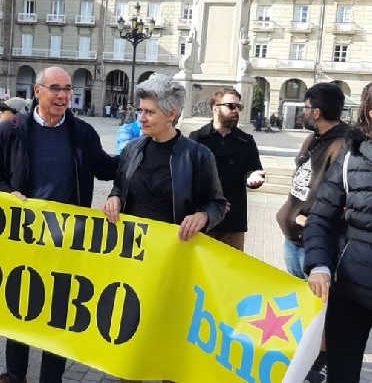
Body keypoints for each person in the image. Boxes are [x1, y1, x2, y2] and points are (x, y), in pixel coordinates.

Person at [0, 66, 118, 383]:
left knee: (58, 315)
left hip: (67, 240)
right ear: (37, 91)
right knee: (20, 310)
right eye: (56, 88)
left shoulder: (82, 132)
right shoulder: (12, 128)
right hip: (22, 237)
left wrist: (140, 152)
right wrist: (6, 193)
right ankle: (15, 374)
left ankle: (51, 377)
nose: (64, 95)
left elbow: (106, 168)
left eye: (68, 89)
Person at [102, 73, 226, 254]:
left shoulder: (198, 155)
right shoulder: (132, 149)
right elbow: (119, 188)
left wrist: (203, 216)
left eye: (149, 112)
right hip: (129, 250)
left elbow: (217, 204)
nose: (141, 118)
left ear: (171, 114)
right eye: (141, 110)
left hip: (172, 253)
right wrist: (113, 198)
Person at [276, 82, 349, 383]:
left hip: (316, 243)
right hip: (293, 239)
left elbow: (341, 196)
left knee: (322, 309)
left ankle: (319, 362)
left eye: (306, 108)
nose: (304, 113)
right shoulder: (313, 139)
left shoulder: (342, 144)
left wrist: (313, 219)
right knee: (303, 304)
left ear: (316, 112)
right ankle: (305, 356)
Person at [302, 90, 372, 383]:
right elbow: (319, 218)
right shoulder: (350, 158)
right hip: (351, 289)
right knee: (342, 374)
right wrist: (318, 265)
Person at [189, 88, 265, 251]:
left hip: (233, 221)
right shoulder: (197, 138)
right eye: (231, 106)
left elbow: (253, 170)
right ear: (215, 108)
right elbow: (188, 177)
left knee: (230, 271)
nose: (236, 111)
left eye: (239, 107)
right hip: (203, 217)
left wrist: (253, 178)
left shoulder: (246, 141)